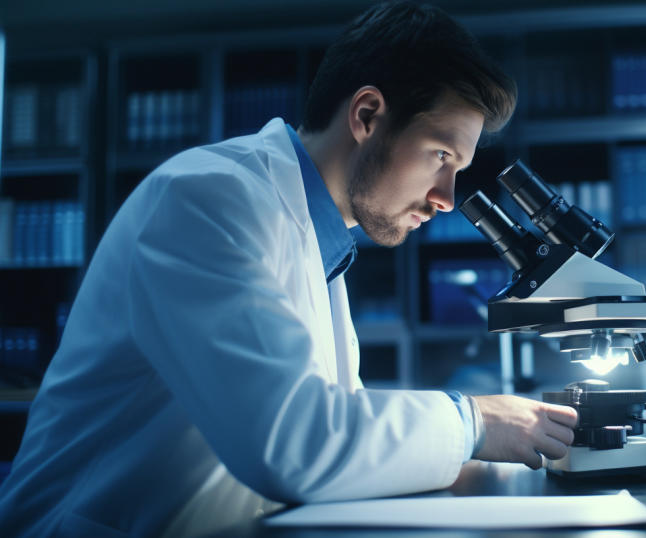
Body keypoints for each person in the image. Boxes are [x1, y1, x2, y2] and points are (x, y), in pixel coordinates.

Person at [0, 2, 579, 536]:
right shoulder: (208, 198)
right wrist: (473, 421)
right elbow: (294, 443)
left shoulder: (316, 237)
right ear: (368, 115)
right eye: (441, 156)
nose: (447, 198)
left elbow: (338, 443)